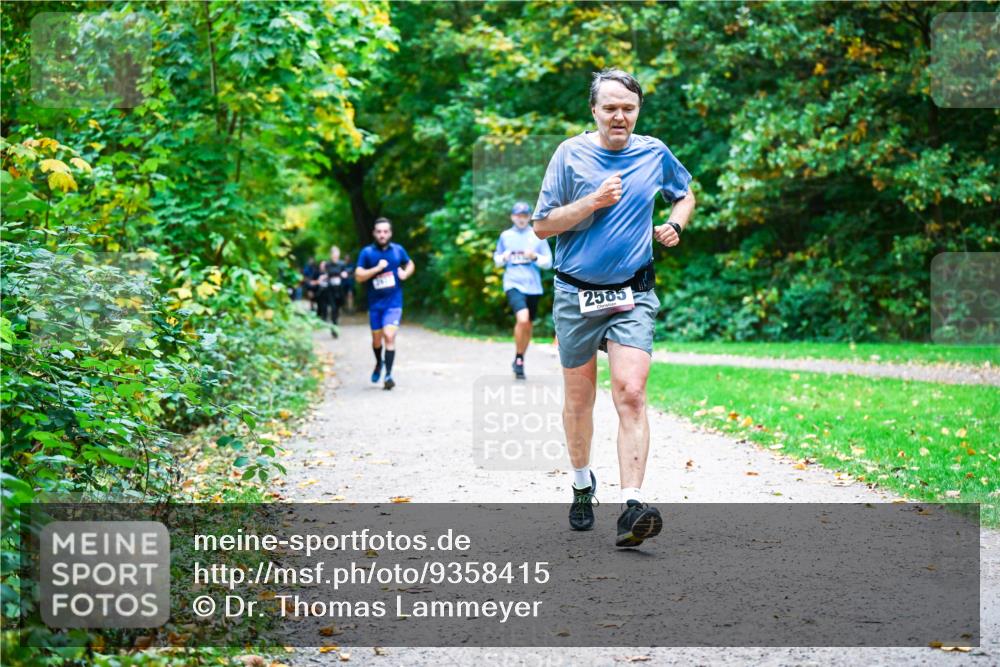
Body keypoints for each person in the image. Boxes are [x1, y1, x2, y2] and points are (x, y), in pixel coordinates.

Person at [532, 69, 696, 547]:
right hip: (575, 293)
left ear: (637, 110)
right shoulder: (570, 154)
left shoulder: (654, 151)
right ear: (594, 111)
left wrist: (675, 224)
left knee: (630, 392)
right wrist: (591, 202)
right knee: (580, 401)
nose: (619, 116)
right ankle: (583, 484)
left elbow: (684, 193)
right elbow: (543, 226)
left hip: (633, 291)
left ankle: (632, 505)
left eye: (628, 107)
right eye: (610, 108)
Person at [493, 201, 553, 379]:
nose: (521, 219)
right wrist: (503, 257)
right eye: (518, 215)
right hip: (513, 283)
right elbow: (497, 260)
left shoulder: (537, 235)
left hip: (533, 286)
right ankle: (519, 359)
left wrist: (534, 257)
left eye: (525, 215)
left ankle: (520, 358)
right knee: (523, 317)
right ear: (512, 217)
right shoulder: (505, 236)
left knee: (528, 325)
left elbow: (549, 262)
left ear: (529, 217)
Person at [354, 217, 415, 390]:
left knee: (389, 336)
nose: (382, 235)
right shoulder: (367, 253)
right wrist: (376, 269)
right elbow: (358, 276)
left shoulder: (397, 251)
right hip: (375, 305)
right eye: (379, 232)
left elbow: (410, 263)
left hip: (394, 303)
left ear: (390, 233)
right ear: (374, 233)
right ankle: (378, 364)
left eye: (385, 231)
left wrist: (406, 273)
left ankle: (388, 375)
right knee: (376, 341)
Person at [319, 245, 350, 338]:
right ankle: (334, 327)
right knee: (333, 308)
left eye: (337, 253)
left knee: (338, 308)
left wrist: (345, 274)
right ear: (331, 254)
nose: (335, 255)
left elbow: (347, 272)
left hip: (339, 289)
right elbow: (326, 273)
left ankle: (335, 321)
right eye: (334, 253)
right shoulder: (327, 264)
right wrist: (324, 277)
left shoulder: (342, 264)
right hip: (330, 289)